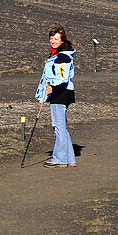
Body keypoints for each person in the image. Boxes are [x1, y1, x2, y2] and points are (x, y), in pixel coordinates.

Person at [36, 26, 77, 167]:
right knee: (61, 127)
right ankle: (70, 159)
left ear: (62, 40)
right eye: (51, 38)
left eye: (56, 39)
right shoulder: (58, 55)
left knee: (58, 127)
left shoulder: (62, 57)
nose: (53, 41)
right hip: (61, 93)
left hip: (60, 94)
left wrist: (52, 88)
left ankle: (60, 159)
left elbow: (63, 78)